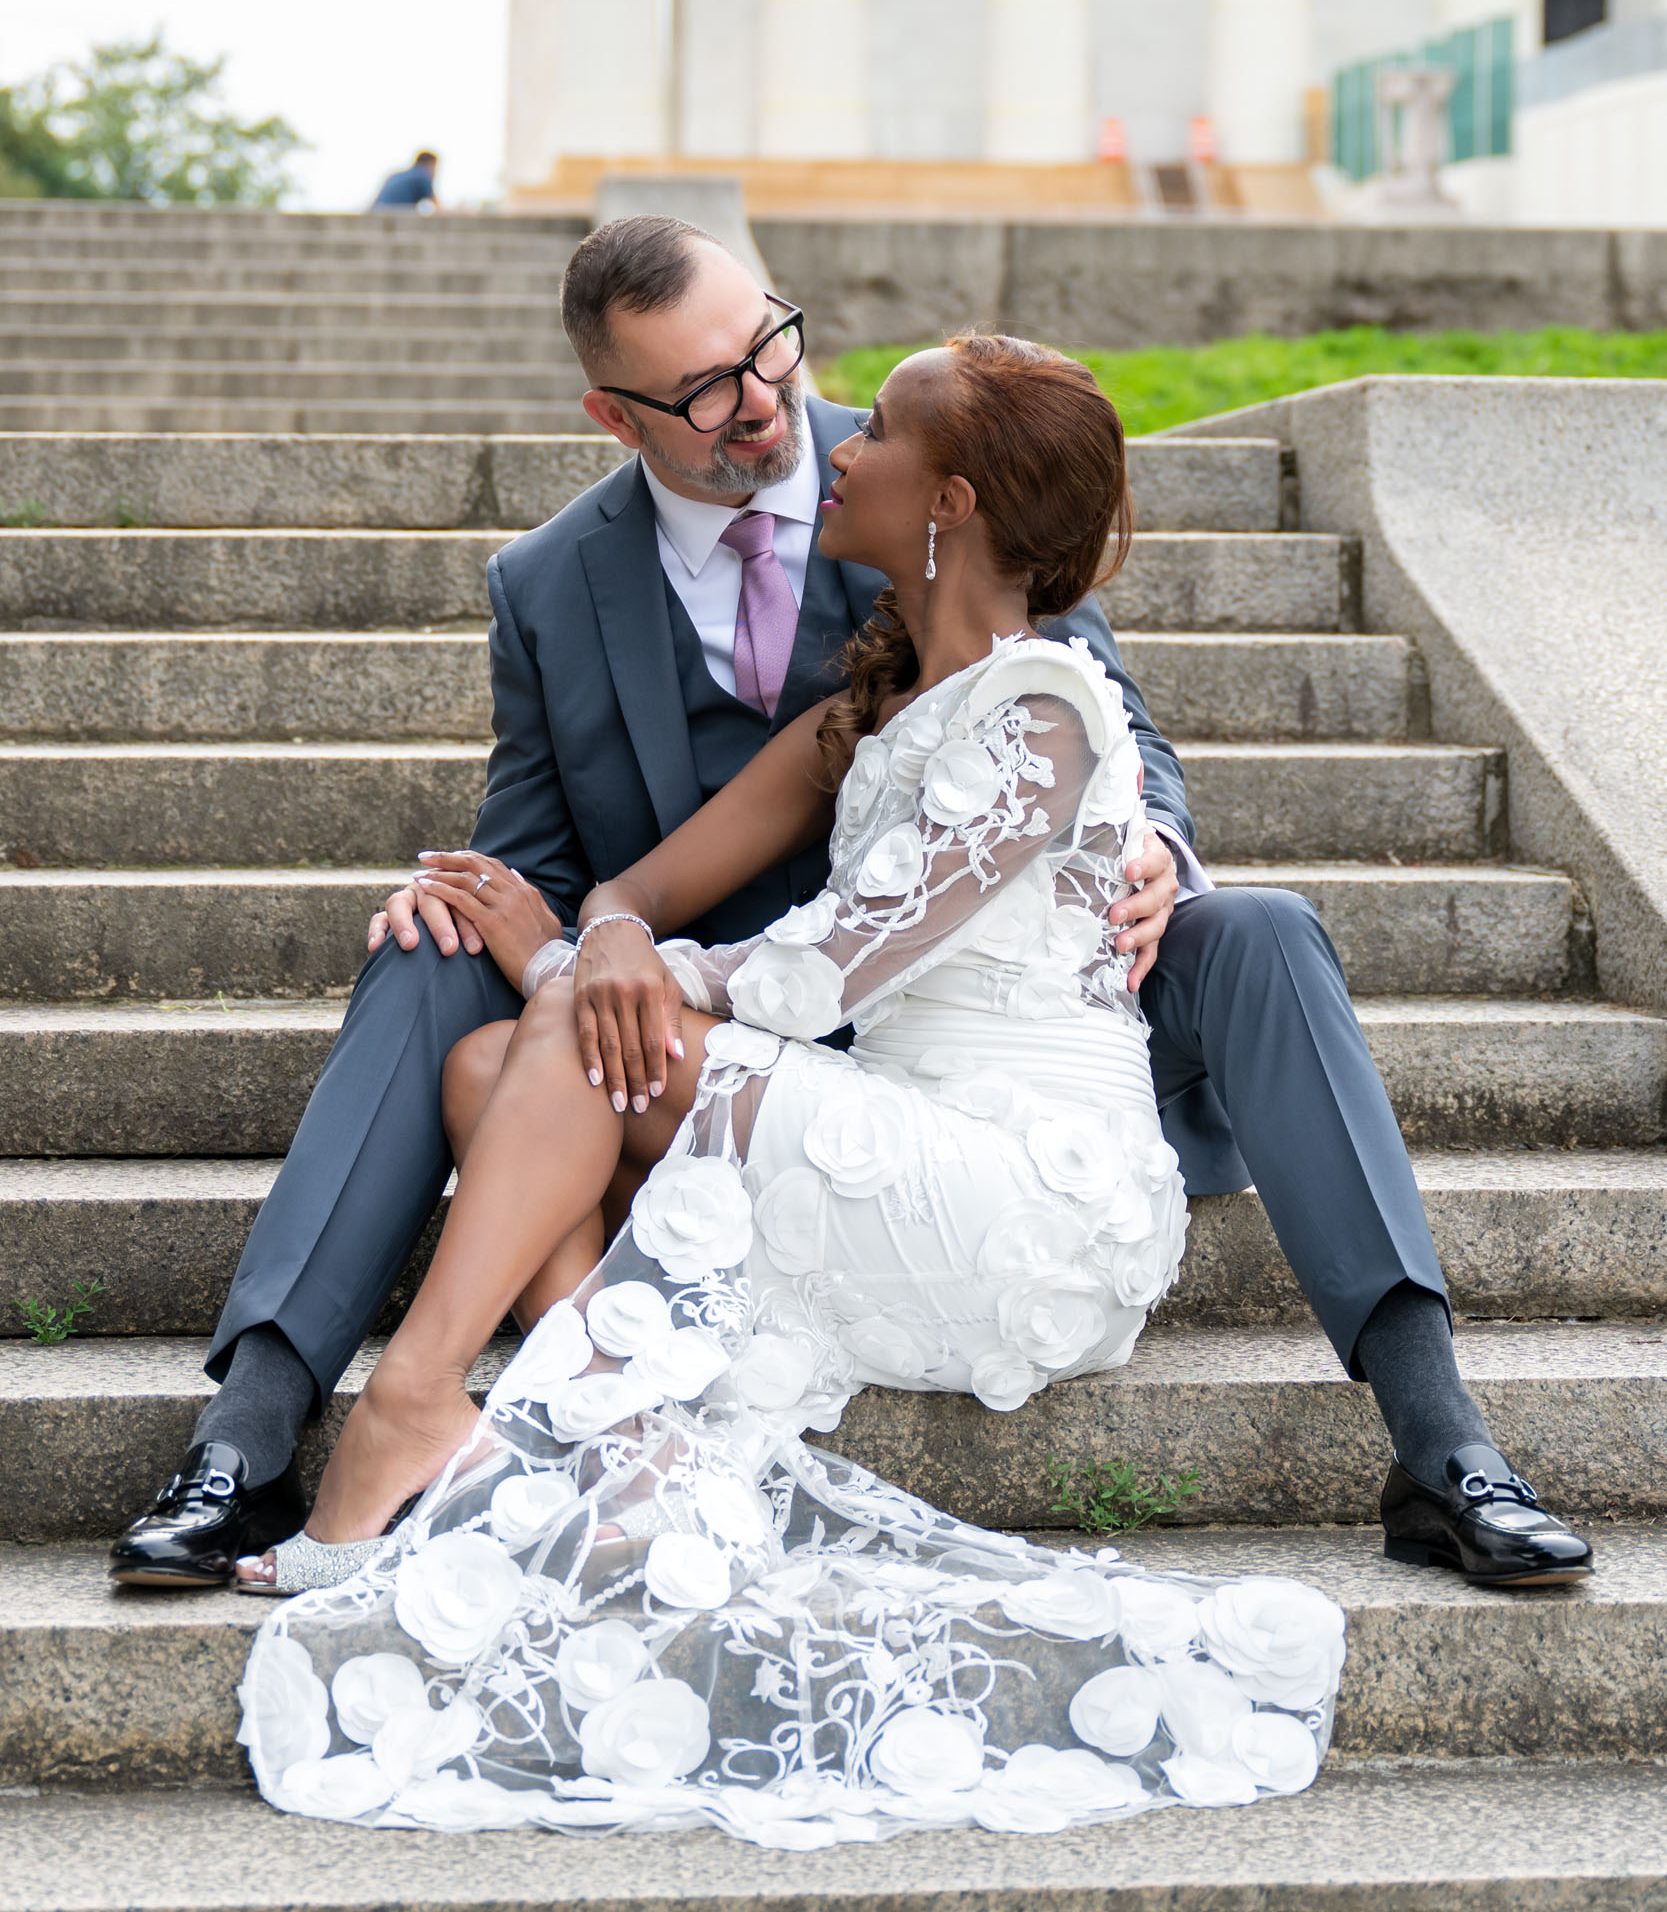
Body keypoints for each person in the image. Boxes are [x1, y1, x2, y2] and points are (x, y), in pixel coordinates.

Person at [110, 218, 1590, 1601]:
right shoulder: (554, 583)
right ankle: (258, 1430)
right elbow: (557, 860)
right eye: (702, 389)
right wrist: (560, 930)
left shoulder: (961, 474)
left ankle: (1436, 1428)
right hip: (736, 1023)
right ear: (614, 417)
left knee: (1255, 926)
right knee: (443, 982)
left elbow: (1097, 734)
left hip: (937, 1031)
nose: (770, 408)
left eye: (772, 349)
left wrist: (1149, 855)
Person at [237, 333, 1355, 1839]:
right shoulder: (869, 712)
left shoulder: (1046, 712)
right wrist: (586, 940)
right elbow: (637, 894)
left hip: (1021, 1189)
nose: (839, 447)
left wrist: (577, 966)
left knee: (553, 1031)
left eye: (877, 434)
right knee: (489, 1058)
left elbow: (826, 970)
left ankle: (415, 1405)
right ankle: (621, 1462)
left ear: (946, 503)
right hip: (895, 1136)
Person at [370, 149, 439, 209]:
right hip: (394, 216)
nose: (435, 172)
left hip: (375, 213)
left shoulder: (396, 175)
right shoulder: (422, 175)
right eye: (435, 167)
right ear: (430, 164)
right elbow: (437, 207)